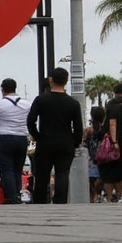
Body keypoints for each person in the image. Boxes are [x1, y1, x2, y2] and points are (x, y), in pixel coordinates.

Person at [27, 67, 83, 204]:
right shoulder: (73, 103)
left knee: (42, 174)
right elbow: (78, 127)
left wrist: (37, 136)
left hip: (45, 141)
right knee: (62, 174)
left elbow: (30, 121)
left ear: (51, 80)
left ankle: (40, 201)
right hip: (65, 143)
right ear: (66, 81)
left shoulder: (41, 100)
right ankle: (60, 201)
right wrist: (75, 142)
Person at [0, 78, 31, 205]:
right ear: (15, 88)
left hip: (5, 138)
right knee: (17, 169)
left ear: (2, 90)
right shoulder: (27, 104)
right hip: (21, 138)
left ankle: (11, 197)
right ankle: (17, 194)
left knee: (6, 169)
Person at [99, 84, 122, 200]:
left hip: (110, 144)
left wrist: (114, 141)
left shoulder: (111, 106)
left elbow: (111, 124)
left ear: (115, 93)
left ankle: (110, 197)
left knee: (110, 172)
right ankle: (120, 196)